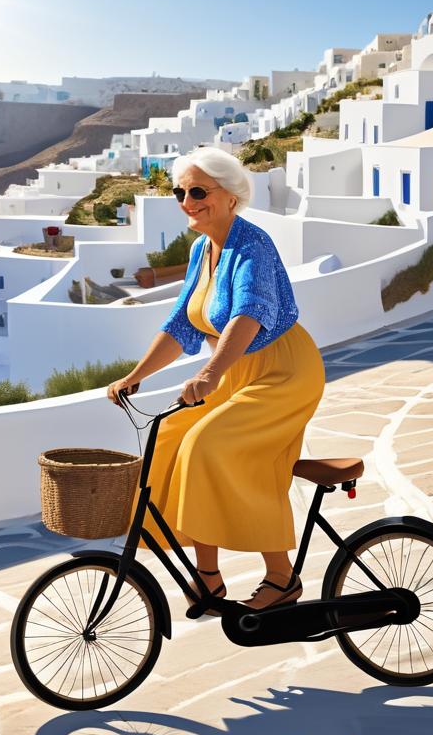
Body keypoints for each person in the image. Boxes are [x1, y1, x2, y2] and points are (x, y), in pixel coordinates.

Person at [106, 147, 325, 610]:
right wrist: (134, 376)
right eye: (180, 192)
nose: (188, 200)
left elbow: (250, 314)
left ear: (231, 196)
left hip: (283, 371)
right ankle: (208, 575)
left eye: (199, 191)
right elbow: (181, 324)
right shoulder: (202, 249)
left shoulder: (253, 244)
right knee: (171, 438)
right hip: (233, 372)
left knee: (210, 446)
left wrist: (208, 374)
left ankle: (282, 577)